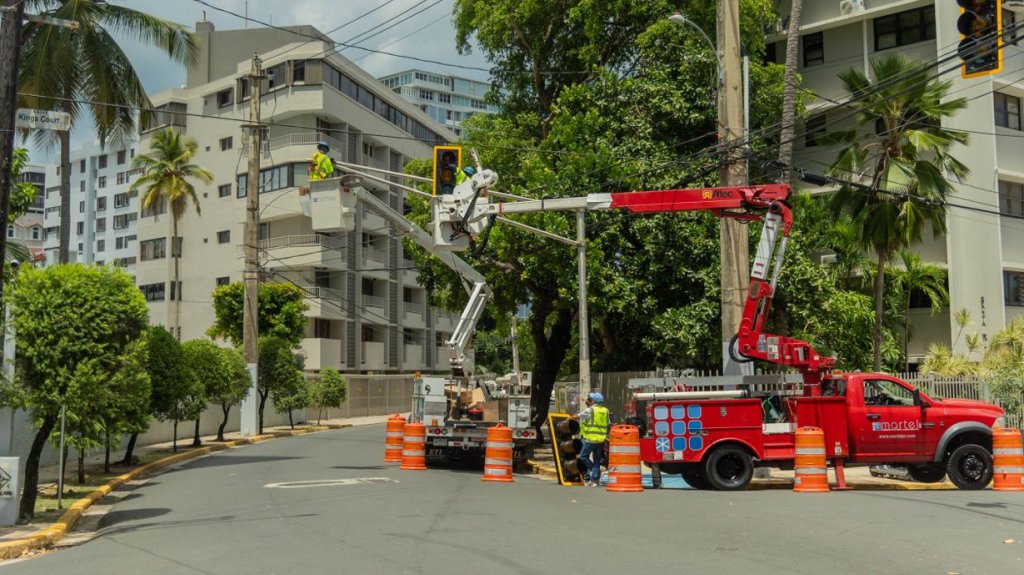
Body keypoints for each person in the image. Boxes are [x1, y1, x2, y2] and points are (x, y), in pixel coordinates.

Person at [571, 392, 609, 487]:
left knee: (583, 456)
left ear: (593, 401)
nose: (588, 400)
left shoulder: (590, 410)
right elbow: (608, 424)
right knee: (597, 460)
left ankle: (595, 472)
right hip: (600, 439)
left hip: (590, 439)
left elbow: (577, 416)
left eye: (590, 399)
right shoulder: (606, 411)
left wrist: (569, 418)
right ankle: (594, 481)